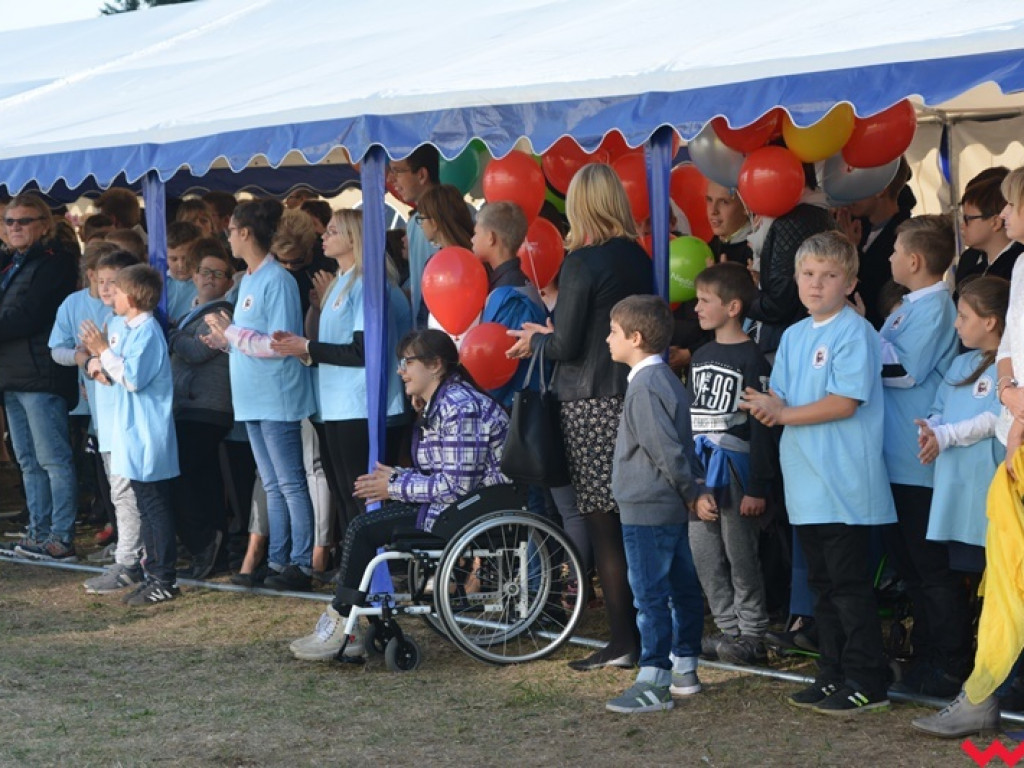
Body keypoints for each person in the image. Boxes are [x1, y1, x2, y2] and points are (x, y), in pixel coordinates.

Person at [507, 163, 653, 671]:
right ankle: (641, 634)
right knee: (631, 520)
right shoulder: (638, 257)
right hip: (631, 393)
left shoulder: (582, 262)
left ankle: (622, 640)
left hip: (589, 401)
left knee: (603, 524)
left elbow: (566, 343)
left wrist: (535, 339)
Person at [742, 231, 895, 714]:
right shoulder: (792, 335)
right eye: (808, 274)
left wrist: (782, 414)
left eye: (829, 276)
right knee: (822, 588)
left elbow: (845, 403)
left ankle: (867, 680)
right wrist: (767, 408)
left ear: (850, 282)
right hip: (805, 481)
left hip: (845, 482)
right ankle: (831, 673)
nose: (816, 284)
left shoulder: (856, 332)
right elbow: (784, 400)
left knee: (849, 590)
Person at [287, 329, 509, 661]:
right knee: (364, 525)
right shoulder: (443, 403)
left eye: (408, 362)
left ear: (435, 365)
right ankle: (343, 621)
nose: (400, 370)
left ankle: (341, 624)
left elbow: (457, 486)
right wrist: (397, 476)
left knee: (363, 528)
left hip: (470, 510)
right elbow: (445, 475)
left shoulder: (460, 406)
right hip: (456, 506)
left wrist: (393, 486)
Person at [913, 168, 1024, 737]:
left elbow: (995, 408)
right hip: (991, 470)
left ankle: (1001, 694)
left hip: (1000, 469)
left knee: (1009, 585)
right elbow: (1004, 367)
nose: (1003, 218)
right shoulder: (1022, 267)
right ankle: (985, 691)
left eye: (1009, 206)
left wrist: (958, 429)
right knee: (993, 588)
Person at [270, 209, 408, 538]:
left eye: (331, 232)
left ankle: (378, 568)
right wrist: (301, 347)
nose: (323, 237)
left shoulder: (367, 284)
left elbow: (362, 352)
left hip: (360, 405)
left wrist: (308, 347)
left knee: (361, 494)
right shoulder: (342, 283)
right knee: (345, 494)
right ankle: (354, 565)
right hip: (335, 404)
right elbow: (333, 345)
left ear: (352, 238)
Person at [203, 199, 318, 592]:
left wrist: (232, 332)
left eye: (231, 230)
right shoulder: (248, 280)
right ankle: (279, 559)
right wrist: (224, 340)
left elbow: (280, 342)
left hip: (277, 396)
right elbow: (249, 339)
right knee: (272, 484)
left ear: (246, 232)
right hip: (251, 395)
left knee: (289, 482)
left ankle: (300, 563)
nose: (228, 236)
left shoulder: (277, 280)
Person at [601, 295, 704, 713]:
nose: (608, 339)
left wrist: (690, 489)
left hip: (648, 505)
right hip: (666, 505)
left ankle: (653, 679)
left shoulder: (644, 386)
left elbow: (664, 448)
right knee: (681, 588)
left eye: (613, 331)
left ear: (636, 337)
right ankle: (684, 668)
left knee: (650, 595)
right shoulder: (664, 380)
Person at [880, 215, 966, 698]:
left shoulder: (933, 307)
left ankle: (948, 663)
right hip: (895, 457)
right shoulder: (908, 306)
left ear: (914, 261)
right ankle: (926, 655)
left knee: (932, 571)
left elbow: (902, 371)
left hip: (918, 461)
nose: (889, 258)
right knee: (910, 568)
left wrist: (856, 344)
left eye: (893, 250)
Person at [687, 262, 775, 666]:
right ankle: (727, 629)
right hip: (704, 470)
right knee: (704, 551)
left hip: (737, 468)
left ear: (734, 306)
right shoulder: (701, 354)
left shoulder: (753, 358)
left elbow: (761, 427)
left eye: (706, 301)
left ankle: (753, 633)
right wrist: (693, 483)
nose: (697, 308)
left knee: (740, 553)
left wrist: (758, 486)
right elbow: (691, 419)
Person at [80, 264, 181, 606]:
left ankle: (164, 577)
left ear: (134, 297)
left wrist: (102, 351)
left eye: (119, 290)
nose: (112, 296)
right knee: (145, 504)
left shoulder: (149, 331)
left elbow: (133, 377)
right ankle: (151, 571)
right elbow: (113, 370)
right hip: (132, 433)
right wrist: (98, 359)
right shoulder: (128, 327)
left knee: (155, 505)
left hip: (148, 434)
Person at [0, 192, 80, 562]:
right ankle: (37, 533)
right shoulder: (9, 262)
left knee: (53, 460)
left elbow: (31, 314)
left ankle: (60, 537)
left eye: (24, 221)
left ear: (44, 224)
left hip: (41, 373)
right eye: (10, 221)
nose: (15, 227)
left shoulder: (56, 261)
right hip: (12, 374)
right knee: (28, 461)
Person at [916, 276, 1007, 576]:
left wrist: (946, 435)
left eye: (964, 317)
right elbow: (938, 408)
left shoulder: (1011, 367)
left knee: (996, 575)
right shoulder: (960, 364)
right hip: (954, 484)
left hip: (987, 484)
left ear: (990, 322)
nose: (956, 324)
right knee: (964, 572)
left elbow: (994, 419)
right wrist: (931, 429)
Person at [76, 250, 148, 593]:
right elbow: (96, 361)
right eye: (102, 282)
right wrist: (91, 363)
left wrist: (99, 358)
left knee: (126, 492)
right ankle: (128, 556)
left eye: (114, 283)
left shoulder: (130, 324)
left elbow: (127, 372)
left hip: (125, 424)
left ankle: (131, 561)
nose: (107, 290)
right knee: (120, 493)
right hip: (107, 422)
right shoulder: (112, 321)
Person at [167, 240, 236, 579]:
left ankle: (206, 542)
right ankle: (210, 547)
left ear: (229, 281)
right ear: (193, 275)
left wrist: (170, 336)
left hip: (208, 407)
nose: (210, 278)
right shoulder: (189, 313)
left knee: (185, 475)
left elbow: (197, 352)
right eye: (204, 272)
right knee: (201, 478)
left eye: (218, 273)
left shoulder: (223, 314)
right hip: (187, 407)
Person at [472, 201, 546, 407]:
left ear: (491, 237)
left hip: (512, 408)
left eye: (476, 233)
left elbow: (499, 363)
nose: (472, 239)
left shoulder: (510, 296)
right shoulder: (522, 284)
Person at [835, 157, 914, 329]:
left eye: (858, 185)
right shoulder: (857, 227)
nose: (850, 194)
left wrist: (853, 253)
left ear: (880, 189)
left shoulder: (906, 236)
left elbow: (878, 293)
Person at [389, 146, 441, 325]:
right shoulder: (414, 221)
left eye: (397, 171)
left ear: (421, 175)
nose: (390, 179)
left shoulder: (446, 215)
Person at [955, 169, 1021, 292]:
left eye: (968, 218)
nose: (962, 225)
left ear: (995, 222)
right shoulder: (973, 266)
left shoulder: (1014, 265)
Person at [707, 181, 753, 266]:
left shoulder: (757, 253)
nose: (713, 211)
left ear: (747, 206)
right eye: (709, 200)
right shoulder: (712, 245)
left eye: (724, 202)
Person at [165, 220, 201, 324]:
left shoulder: (204, 284)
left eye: (186, 258)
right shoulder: (160, 282)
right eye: (173, 259)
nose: (181, 265)